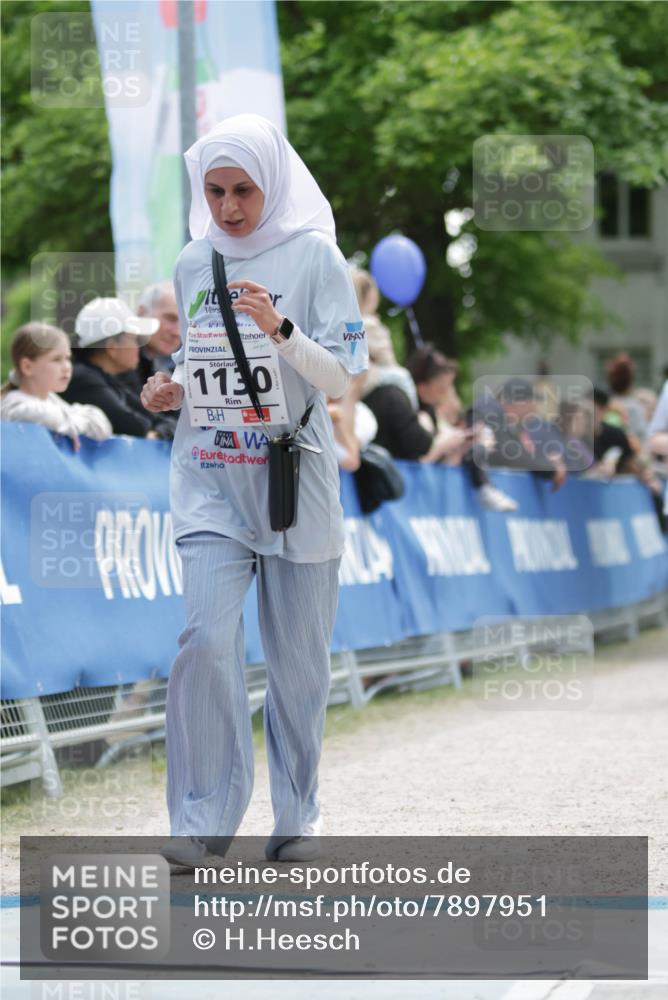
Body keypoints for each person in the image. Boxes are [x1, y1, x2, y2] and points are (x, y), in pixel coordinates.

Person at [140, 114, 368, 868]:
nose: (229, 206)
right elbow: (197, 357)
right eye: (215, 191)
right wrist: (170, 389)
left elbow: (342, 376)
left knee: (298, 664)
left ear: (272, 182)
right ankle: (201, 820)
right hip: (209, 475)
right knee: (205, 639)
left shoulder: (316, 255)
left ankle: (298, 817)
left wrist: (281, 328)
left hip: (293, 476)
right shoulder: (193, 260)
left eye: (243, 190)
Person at [62, 297, 173, 439]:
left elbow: (157, 420)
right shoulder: (83, 378)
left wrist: (158, 432)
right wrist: (155, 432)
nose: (139, 347)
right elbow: (137, 426)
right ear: (112, 347)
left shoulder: (105, 378)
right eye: (134, 339)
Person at [0, 322, 112, 446]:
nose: (67, 367)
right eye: (56, 359)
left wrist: (70, 426)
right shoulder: (14, 405)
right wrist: (74, 425)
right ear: (27, 367)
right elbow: (44, 415)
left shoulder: (52, 400)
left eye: (68, 358)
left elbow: (102, 426)